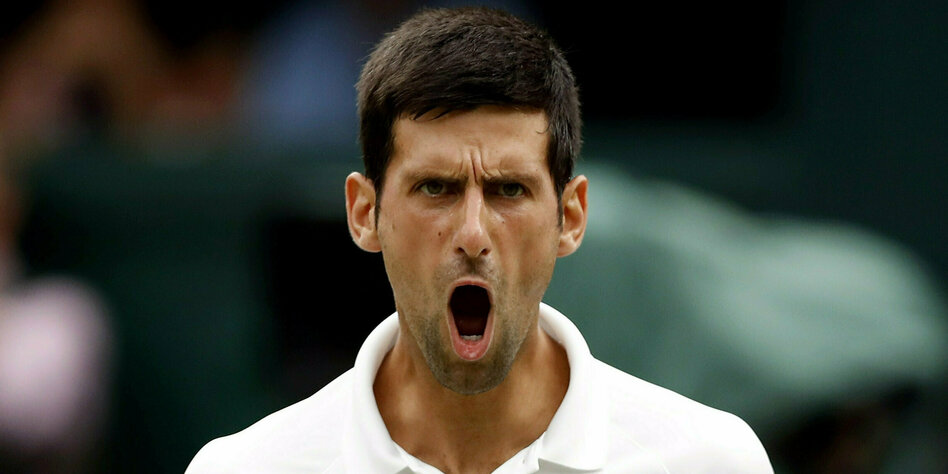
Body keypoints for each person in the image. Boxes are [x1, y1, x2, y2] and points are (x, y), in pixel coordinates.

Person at [186, 6, 774, 473]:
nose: (472, 235)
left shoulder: (711, 462)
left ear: (570, 217)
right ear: (365, 213)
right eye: (435, 188)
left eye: (509, 190)